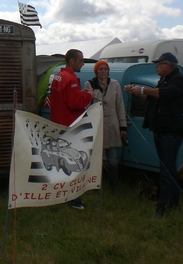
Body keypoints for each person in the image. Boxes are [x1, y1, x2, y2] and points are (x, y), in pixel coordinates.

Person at [124, 52, 183, 217]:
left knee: (166, 171)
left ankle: (163, 209)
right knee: (168, 169)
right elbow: (151, 98)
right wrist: (135, 92)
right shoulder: (163, 80)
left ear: (168, 65)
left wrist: (142, 88)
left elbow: (163, 93)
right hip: (161, 131)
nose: (156, 66)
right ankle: (173, 203)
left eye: (159, 64)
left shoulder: (178, 80)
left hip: (170, 133)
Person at [50, 49, 94, 209]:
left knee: (60, 161)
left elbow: (65, 98)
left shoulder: (58, 76)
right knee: (73, 162)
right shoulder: (71, 79)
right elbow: (75, 103)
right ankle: (73, 198)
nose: (83, 63)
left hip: (58, 123)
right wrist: (88, 95)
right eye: (81, 60)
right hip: (70, 126)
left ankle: (60, 193)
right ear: (72, 61)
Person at [84, 60, 127, 195]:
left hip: (112, 123)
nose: (103, 71)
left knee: (113, 157)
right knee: (95, 156)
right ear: (96, 71)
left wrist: (123, 126)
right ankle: (93, 185)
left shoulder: (115, 84)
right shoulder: (90, 84)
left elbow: (120, 105)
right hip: (96, 124)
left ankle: (114, 187)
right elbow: (86, 106)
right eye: (100, 69)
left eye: (105, 69)